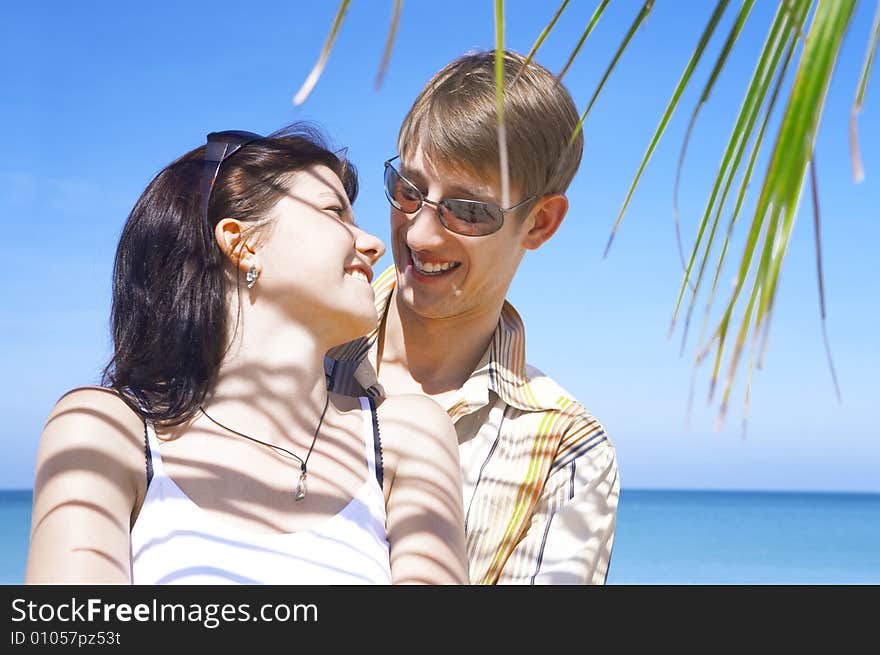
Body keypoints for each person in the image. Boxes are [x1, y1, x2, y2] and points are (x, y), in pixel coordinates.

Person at [25, 124, 468, 585]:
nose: (372, 244)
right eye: (335, 213)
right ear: (242, 242)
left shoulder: (405, 439)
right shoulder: (106, 430)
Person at [326, 50, 620, 584]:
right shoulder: (293, 340)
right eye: (408, 191)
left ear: (540, 223)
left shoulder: (565, 448)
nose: (418, 235)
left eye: (467, 210)